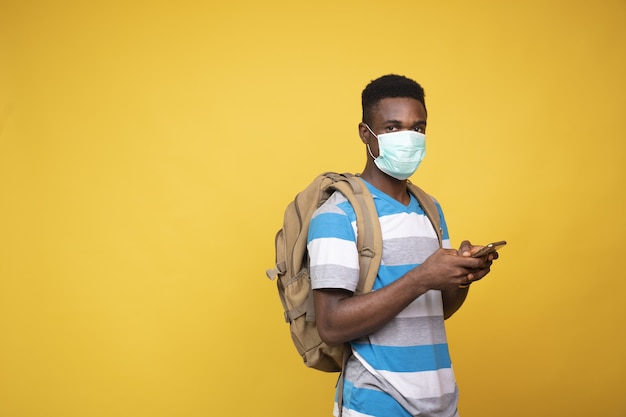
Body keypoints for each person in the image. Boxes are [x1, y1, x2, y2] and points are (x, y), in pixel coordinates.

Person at [306, 74, 500, 417]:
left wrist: (462, 276)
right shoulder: (338, 214)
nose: (408, 138)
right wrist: (422, 277)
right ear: (366, 134)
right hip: (377, 403)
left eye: (418, 128)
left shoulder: (430, 208)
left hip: (440, 399)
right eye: (393, 128)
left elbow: (432, 313)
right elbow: (331, 325)